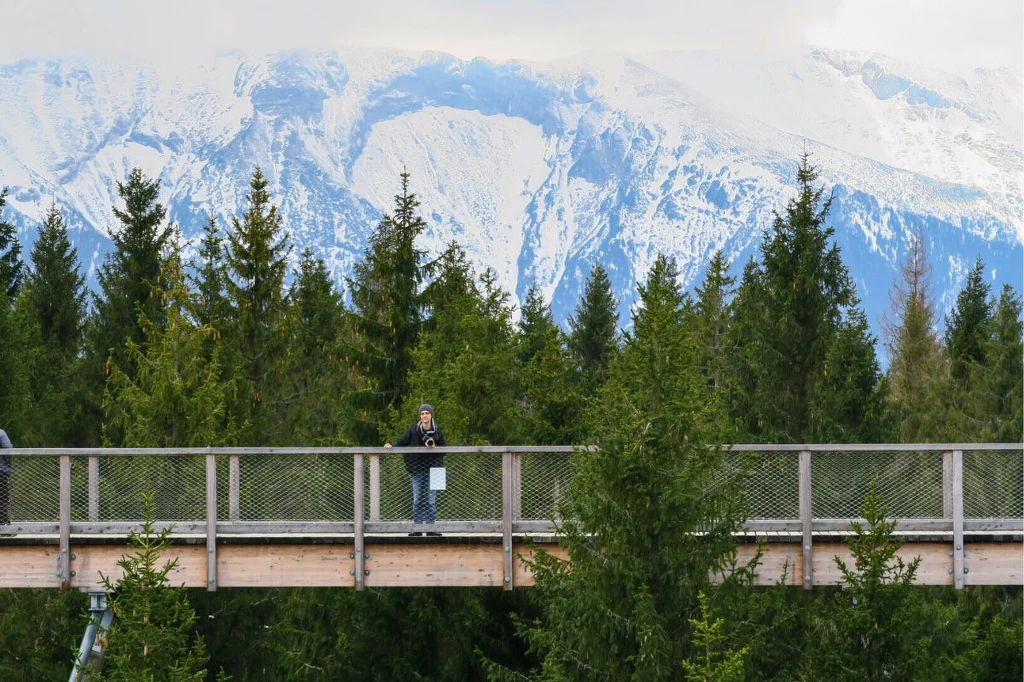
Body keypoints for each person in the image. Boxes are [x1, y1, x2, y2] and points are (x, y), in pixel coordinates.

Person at [385, 404, 446, 536]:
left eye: (427, 413)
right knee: (417, 499)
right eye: (422, 413)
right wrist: (392, 445)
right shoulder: (413, 430)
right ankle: (417, 528)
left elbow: (444, 450)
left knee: (431, 501)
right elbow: (402, 441)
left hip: (435, 470)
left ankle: (431, 529)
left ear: (431, 415)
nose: (424, 415)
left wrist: (435, 447)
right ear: (420, 415)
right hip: (416, 469)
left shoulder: (438, 431)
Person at [0, 428, 12, 527]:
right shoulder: (0, 433)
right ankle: (2, 521)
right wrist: (8, 467)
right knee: (3, 497)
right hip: (0, 471)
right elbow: (8, 450)